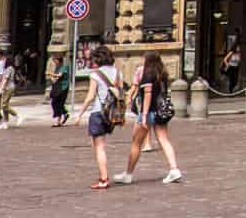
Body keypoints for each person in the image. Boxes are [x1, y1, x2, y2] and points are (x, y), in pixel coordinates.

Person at [114, 52, 184, 186]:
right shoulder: (162, 74)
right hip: (160, 111)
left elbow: (147, 94)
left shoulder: (148, 74)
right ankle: (174, 169)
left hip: (149, 112)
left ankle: (128, 174)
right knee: (163, 139)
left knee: (136, 143)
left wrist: (144, 115)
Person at [75, 44, 123, 190]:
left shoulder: (95, 74)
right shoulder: (118, 73)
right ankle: (103, 176)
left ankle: (104, 178)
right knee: (100, 145)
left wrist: (79, 114)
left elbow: (90, 97)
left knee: (99, 148)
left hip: (98, 113)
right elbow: (120, 94)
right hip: (111, 114)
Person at [48, 53, 72, 126]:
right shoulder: (57, 68)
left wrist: (51, 74)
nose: (54, 62)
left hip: (63, 88)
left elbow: (60, 75)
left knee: (59, 103)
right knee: (55, 102)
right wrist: (52, 78)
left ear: (58, 61)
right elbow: (56, 79)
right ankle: (64, 114)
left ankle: (59, 120)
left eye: (55, 60)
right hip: (58, 87)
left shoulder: (64, 67)